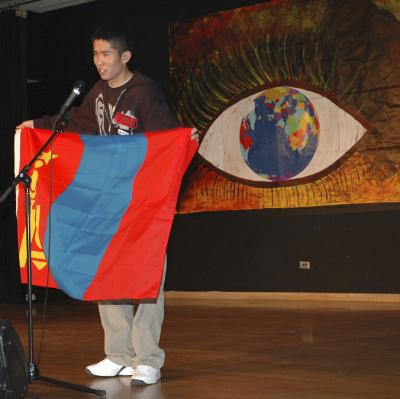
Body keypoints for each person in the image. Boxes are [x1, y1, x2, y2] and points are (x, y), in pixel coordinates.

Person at [17, 25, 180, 385]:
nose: (99, 61)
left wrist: (184, 139)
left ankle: (148, 357)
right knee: (107, 271)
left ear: (125, 56)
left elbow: (165, 137)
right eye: (95, 54)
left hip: (141, 201)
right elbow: (77, 122)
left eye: (106, 54)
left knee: (147, 276)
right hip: (108, 201)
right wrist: (36, 126)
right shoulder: (99, 92)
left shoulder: (144, 93)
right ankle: (119, 354)